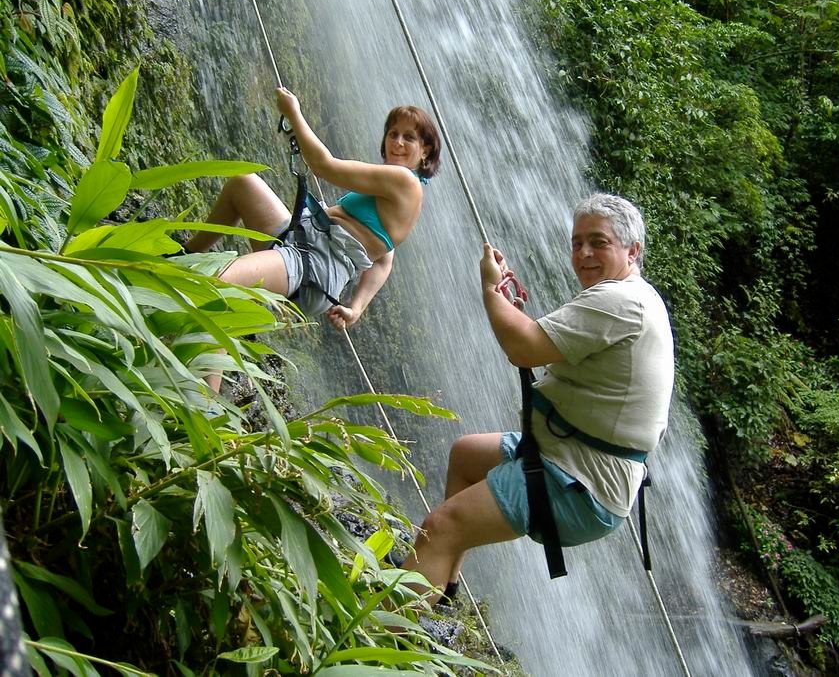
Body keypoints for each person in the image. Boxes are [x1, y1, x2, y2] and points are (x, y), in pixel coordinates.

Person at [399, 193, 674, 605]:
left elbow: (523, 348)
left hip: (581, 479)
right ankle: (443, 589)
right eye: (577, 242)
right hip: (569, 456)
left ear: (632, 250)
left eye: (599, 242)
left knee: (441, 525)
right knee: (466, 456)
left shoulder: (621, 301)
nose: (583, 253)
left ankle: (385, 639)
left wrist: (491, 287)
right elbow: (541, 341)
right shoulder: (635, 297)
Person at [186, 88, 441, 334]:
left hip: (314, 265)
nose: (397, 142)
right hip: (302, 238)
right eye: (393, 133)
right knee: (242, 183)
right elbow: (385, 260)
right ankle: (185, 254)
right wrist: (356, 308)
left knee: (218, 286)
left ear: (425, 152)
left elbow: (324, 166)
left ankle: (206, 374)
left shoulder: (405, 181)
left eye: (409, 137)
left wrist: (294, 113)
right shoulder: (399, 193)